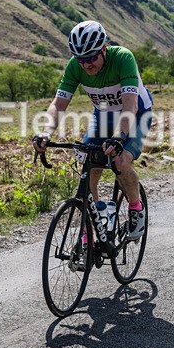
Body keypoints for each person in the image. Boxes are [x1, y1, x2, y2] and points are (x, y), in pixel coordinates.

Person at [33, 20, 153, 240]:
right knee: (88, 166)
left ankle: (136, 209)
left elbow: (130, 106)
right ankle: (92, 224)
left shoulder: (123, 58)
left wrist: (119, 137)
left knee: (120, 161)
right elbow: (59, 105)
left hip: (135, 114)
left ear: (104, 50)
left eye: (91, 58)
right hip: (104, 114)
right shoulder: (74, 66)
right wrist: (45, 133)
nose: (86, 65)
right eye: (81, 59)